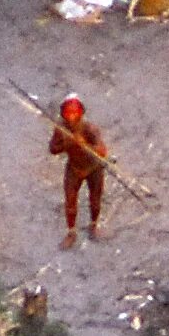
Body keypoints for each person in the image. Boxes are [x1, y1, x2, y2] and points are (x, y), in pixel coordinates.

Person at [48, 94, 109, 248]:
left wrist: (84, 145)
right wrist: (66, 145)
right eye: (69, 113)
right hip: (74, 168)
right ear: (63, 114)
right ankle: (71, 232)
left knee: (95, 199)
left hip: (94, 168)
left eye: (75, 113)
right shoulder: (61, 130)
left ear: (81, 113)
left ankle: (94, 225)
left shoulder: (89, 128)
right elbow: (53, 149)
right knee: (70, 201)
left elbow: (102, 151)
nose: (72, 117)